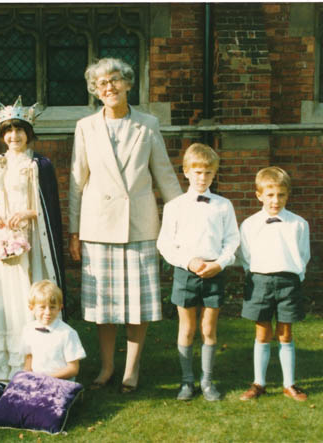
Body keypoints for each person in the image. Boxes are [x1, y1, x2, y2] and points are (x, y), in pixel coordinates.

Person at [68, 57, 182, 393]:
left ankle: (131, 370)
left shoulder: (148, 124)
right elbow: (77, 182)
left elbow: (165, 175)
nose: (110, 87)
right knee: (104, 307)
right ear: (96, 92)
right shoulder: (85, 127)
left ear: (128, 83)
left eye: (115, 80)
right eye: (102, 84)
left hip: (139, 225)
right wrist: (74, 231)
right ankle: (106, 368)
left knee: (137, 303)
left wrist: (182, 222)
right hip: (97, 226)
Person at [0, 97, 66, 382]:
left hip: (31, 239)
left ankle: (34, 360)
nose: (13, 136)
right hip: (2, 237)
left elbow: (47, 205)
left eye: (19, 130)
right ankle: (2, 366)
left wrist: (28, 212)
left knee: (28, 291)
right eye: (8, 131)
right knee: (3, 295)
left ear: (29, 132)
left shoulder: (39, 165)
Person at [157, 143, 240, 401]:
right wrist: (188, 261)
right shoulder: (175, 206)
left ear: (214, 174)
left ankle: (207, 381)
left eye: (207, 173)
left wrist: (219, 264)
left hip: (214, 271)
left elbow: (232, 240)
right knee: (187, 328)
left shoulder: (223, 206)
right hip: (186, 272)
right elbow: (165, 243)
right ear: (186, 172)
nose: (202, 178)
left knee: (208, 329)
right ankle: (186, 382)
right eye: (197, 172)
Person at [237, 166, 310, 402]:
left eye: (280, 195)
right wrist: (255, 274)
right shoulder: (249, 224)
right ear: (259, 195)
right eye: (270, 195)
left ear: (287, 195)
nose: (275, 200)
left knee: (285, 333)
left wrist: (297, 276)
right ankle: (259, 383)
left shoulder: (298, 224)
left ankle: (289, 384)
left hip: (288, 282)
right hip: (260, 280)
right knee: (262, 332)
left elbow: (303, 254)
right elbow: (245, 255)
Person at [21, 280, 86, 380]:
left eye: (52, 307)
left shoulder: (67, 333)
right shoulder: (28, 330)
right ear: (32, 308)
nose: (47, 312)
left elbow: (73, 369)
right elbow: (29, 356)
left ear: (60, 308)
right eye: (42, 307)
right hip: (37, 380)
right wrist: (27, 375)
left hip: (61, 382)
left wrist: (47, 379)